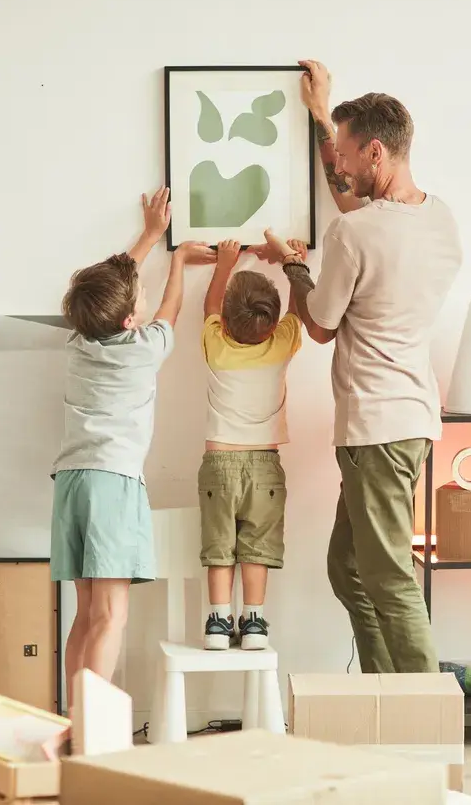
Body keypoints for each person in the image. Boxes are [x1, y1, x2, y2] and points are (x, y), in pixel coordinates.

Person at [254, 61, 463, 673]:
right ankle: (382, 693)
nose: (338, 166)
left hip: (376, 428)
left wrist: (291, 265)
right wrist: (322, 116)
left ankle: (426, 723)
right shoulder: (440, 219)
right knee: (348, 569)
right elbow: (355, 208)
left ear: (376, 151)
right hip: (410, 421)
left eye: (346, 154)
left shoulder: (354, 236)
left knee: (389, 577)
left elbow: (319, 325)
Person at [50, 187, 213, 712]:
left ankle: (72, 721)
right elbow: (171, 308)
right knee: (111, 616)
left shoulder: (77, 344)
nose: (141, 298)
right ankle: (90, 726)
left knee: (85, 614)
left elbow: (116, 287)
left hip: (71, 483)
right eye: (134, 299)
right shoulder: (145, 350)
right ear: (127, 321)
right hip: (113, 484)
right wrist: (180, 262)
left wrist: (149, 236)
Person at [196, 235, 307, 651]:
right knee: (257, 546)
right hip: (265, 466)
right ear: (272, 321)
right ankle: (255, 622)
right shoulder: (281, 345)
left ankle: (219, 621)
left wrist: (224, 265)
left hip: (219, 462)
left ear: (226, 321)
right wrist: (294, 263)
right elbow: (298, 312)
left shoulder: (216, 346)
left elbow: (209, 307)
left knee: (219, 545)